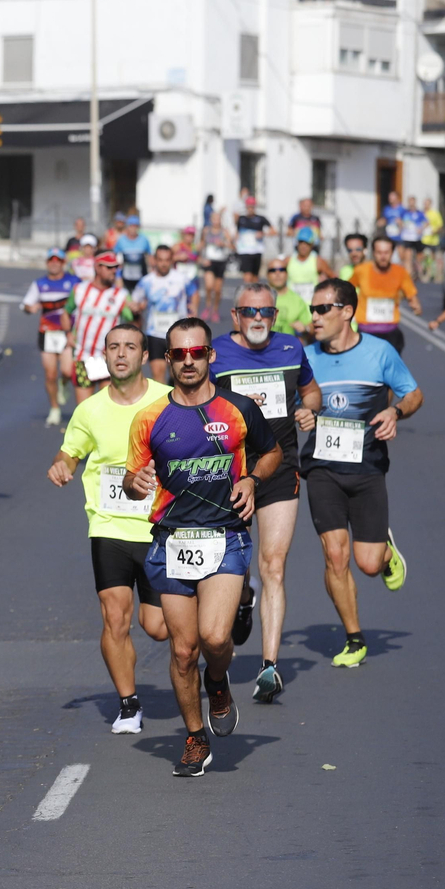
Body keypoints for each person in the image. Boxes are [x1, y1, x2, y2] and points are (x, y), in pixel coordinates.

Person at [124, 318, 280, 778]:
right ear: (167, 359)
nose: (188, 361)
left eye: (197, 353)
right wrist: (136, 483)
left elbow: (271, 453)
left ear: (211, 355)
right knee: (182, 650)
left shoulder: (238, 408)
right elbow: (134, 482)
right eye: (178, 354)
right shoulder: (149, 417)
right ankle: (195, 738)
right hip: (172, 540)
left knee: (215, 638)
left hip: (225, 535)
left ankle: (218, 683)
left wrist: (252, 478)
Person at [47, 324, 170, 733]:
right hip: (109, 525)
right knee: (114, 617)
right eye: (113, 347)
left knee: (158, 628)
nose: (121, 354)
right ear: (104, 355)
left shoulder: (166, 401)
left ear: (143, 355)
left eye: (130, 347)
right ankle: (128, 704)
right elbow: (70, 453)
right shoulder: (89, 410)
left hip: (159, 528)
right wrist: (62, 466)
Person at [300, 279, 422, 668]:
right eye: (312, 310)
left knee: (367, 564)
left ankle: (384, 553)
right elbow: (295, 406)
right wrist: (301, 413)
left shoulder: (379, 352)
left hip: (367, 466)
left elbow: (413, 394)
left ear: (347, 312)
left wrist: (394, 411)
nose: (314, 317)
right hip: (321, 467)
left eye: (323, 309)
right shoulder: (306, 358)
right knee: (334, 556)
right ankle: (354, 638)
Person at [210, 284, 321, 703]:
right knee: (232, 567)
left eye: (266, 312)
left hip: (280, 468)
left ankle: (269, 667)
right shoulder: (216, 352)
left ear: (275, 316)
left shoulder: (292, 348)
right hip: (229, 474)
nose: (258, 319)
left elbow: (311, 390)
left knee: (273, 563)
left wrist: (311, 408)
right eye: (249, 311)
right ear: (236, 315)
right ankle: (241, 597)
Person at [21, 248, 80, 427]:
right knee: (50, 373)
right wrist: (29, 308)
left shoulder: (74, 282)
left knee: (68, 371)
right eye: (51, 260)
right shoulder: (39, 284)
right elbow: (26, 303)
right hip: (47, 332)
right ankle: (54, 408)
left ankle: (64, 384)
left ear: (63, 263)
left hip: (67, 332)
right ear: (47, 263)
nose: (54, 263)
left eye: (58, 260)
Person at [67, 251, 132, 403]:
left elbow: (132, 321)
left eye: (116, 267)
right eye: (109, 267)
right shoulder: (79, 290)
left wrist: (135, 310)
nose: (114, 271)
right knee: (83, 409)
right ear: (97, 267)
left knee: (106, 407)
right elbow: (66, 312)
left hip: (107, 359)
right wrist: (68, 333)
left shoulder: (121, 295)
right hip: (83, 357)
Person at [131, 244, 197, 384]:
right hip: (155, 333)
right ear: (154, 260)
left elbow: (194, 292)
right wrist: (138, 307)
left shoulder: (182, 278)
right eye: (160, 260)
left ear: (172, 260)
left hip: (178, 333)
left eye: (167, 260)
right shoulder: (147, 281)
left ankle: (177, 403)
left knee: (177, 375)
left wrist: (193, 309)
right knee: (157, 374)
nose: (163, 264)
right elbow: (136, 301)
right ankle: (163, 405)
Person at [348, 237, 420, 354]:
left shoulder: (400, 272)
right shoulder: (361, 270)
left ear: (392, 252)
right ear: (373, 253)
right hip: (366, 331)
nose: (383, 256)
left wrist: (415, 305)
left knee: (390, 369)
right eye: (379, 252)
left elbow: (411, 294)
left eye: (386, 252)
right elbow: (347, 290)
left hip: (390, 332)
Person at [285, 229, 334, 314]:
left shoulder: (318, 261)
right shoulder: (288, 260)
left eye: (307, 243)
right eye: (301, 242)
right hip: (292, 306)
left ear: (312, 245)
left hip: (311, 307)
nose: (303, 246)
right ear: (297, 243)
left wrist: (325, 285)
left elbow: (334, 278)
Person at [264, 256, 313, 338]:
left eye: (282, 270)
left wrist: (305, 329)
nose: (277, 274)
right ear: (267, 275)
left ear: (287, 274)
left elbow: (311, 327)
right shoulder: (258, 298)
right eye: (273, 270)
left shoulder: (297, 300)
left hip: (287, 348)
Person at [200, 210, 232, 320]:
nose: (216, 221)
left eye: (218, 219)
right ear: (211, 220)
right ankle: (208, 306)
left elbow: (232, 246)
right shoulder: (206, 231)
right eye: (214, 219)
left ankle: (215, 310)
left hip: (220, 262)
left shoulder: (224, 232)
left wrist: (223, 243)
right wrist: (201, 258)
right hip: (209, 261)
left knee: (218, 290)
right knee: (209, 286)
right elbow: (201, 245)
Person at [234, 195, 272, 285]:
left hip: (256, 250)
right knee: (247, 277)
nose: (250, 209)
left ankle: (254, 295)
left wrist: (263, 234)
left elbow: (273, 231)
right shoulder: (241, 219)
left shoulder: (261, 219)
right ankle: (247, 294)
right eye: (248, 207)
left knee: (255, 277)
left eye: (252, 207)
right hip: (245, 251)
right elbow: (237, 233)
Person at [114, 215, 153, 293]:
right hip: (125, 278)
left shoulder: (144, 240)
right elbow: (115, 257)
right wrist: (118, 276)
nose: (133, 229)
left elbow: (150, 256)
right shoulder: (121, 240)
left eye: (135, 226)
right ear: (127, 227)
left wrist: (151, 274)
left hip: (141, 277)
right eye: (131, 226)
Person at [397, 195, 427, 279]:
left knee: (419, 257)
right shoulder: (404, 212)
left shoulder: (419, 213)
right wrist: (400, 225)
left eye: (412, 202)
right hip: (407, 237)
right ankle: (408, 275)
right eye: (409, 202)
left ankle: (418, 270)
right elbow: (399, 220)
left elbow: (426, 222)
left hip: (417, 238)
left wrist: (421, 228)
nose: (411, 204)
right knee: (408, 256)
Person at [422, 197, 443, 283]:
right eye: (425, 203)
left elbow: (440, 225)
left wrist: (435, 231)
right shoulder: (421, 213)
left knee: (434, 258)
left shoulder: (435, 213)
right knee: (425, 258)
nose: (426, 205)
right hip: (423, 240)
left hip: (433, 240)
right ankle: (427, 274)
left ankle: (436, 275)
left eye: (428, 203)